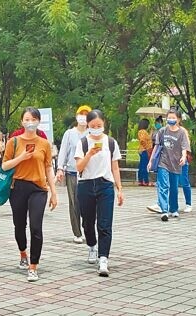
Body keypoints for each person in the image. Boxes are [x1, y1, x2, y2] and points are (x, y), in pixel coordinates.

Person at [1, 107, 57, 282]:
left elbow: (48, 167)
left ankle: (33, 266)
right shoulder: (14, 142)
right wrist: (21, 158)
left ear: (39, 121)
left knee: (36, 227)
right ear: (22, 121)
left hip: (38, 189)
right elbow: (4, 166)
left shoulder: (44, 143)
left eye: (33, 119)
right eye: (27, 119)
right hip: (17, 188)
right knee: (19, 225)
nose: (30, 122)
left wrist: (54, 192)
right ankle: (23, 253)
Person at [74, 109, 124, 277]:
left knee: (104, 224)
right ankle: (92, 246)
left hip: (105, 185)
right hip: (86, 185)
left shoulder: (110, 142)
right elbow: (79, 168)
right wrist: (89, 154)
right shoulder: (83, 143)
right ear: (88, 125)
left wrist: (119, 189)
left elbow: (115, 167)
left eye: (99, 125)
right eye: (93, 126)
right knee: (87, 222)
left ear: (104, 124)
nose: (96, 128)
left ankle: (104, 258)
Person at [56, 105, 91, 244]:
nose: (83, 118)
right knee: (74, 202)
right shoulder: (69, 133)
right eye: (81, 114)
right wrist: (60, 168)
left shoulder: (91, 134)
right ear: (77, 116)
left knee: (87, 203)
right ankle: (77, 232)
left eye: (86, 115)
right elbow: (63, 151)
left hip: (88, 172)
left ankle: (87, 228)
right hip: (72, 171)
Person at [147, 108, 190, 221]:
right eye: (169, 117)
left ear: (178, 119)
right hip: (163, 162)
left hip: (175, 163)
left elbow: (184, 147)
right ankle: (164, 210)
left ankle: (173, 209)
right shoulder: (162, 131)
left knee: (174, 187)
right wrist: (151, 160)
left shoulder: (181, 132)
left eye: (173, 118)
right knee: (163, 186)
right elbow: (156, 146)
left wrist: (184, 156)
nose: (171, 120)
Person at [137, 118, 152, 186]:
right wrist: (147, 148)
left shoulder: (142, 132)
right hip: (144, 150)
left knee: (142, 165)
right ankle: (145, 180)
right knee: (144, 166)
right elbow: (142, 140)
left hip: (142, 150)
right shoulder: (143, 131)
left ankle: (141, 180)